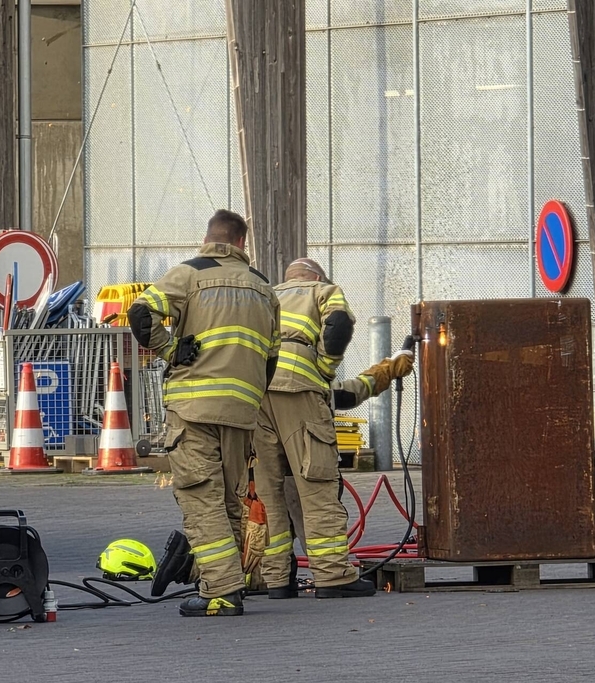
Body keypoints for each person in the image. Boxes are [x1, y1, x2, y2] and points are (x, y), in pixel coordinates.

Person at [127, 209, 281, 617]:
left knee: (201, 499)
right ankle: (224, 583)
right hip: (241, 411)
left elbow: (140, 314)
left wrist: (170, 349)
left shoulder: (189, 273)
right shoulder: (264, 288)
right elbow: (271, 358)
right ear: (242, 244)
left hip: (194, 407)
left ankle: (222, 591)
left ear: (209, 239)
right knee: (230, 502)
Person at [253, 258, 413, 599]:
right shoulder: (322, 291)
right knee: (318, 487)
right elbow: (339, 324)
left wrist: (387, 370)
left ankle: (278, 579)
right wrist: (324, 367)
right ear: (316, 277)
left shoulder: (264, 297)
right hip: (299, 395)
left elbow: (341, 396)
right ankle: (332, 576)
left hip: (255, 395)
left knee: (271, 494)